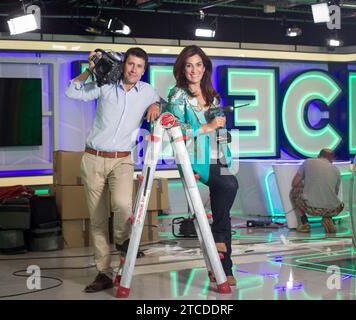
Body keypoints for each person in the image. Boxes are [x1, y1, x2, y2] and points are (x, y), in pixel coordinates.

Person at [66, 47, 161, 292]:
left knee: (122, 205)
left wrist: (156, 106)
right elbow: (72, 91)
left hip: (122, 160)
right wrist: (89, 69)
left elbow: (162, 102)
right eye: (131, 64)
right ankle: (103, 273)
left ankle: (122, 240)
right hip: (93, 159)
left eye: (140, 66)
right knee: (97, 221)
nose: (134, 70)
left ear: (144, 69)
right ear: (124, 64)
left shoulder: (147, 91)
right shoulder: (105, 85)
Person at [166, 45, 239, 286]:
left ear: (205, 67)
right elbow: (175, 129)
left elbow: (220, 131)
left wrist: (222, 133)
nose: (194, 70)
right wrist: (206, 127)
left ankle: (224, 268)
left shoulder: (213, 95)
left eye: (198, 64)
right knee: (230, 186)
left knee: (223, 211)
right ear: (182, 69)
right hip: (193, 156)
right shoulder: (177, 95)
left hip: (218, 155)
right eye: (189, 65)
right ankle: (218, 240)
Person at [289, 148, 344, 234]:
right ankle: (327, 218)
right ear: (332, 159)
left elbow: (294, 183)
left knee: (294, 192)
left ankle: (304, 223)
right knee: (329, 197)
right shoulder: (336, 170)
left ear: (319, 156)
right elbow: (335, 192)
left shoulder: (308, 162)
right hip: (334, 209)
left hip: (312, 208)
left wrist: (306, 186)